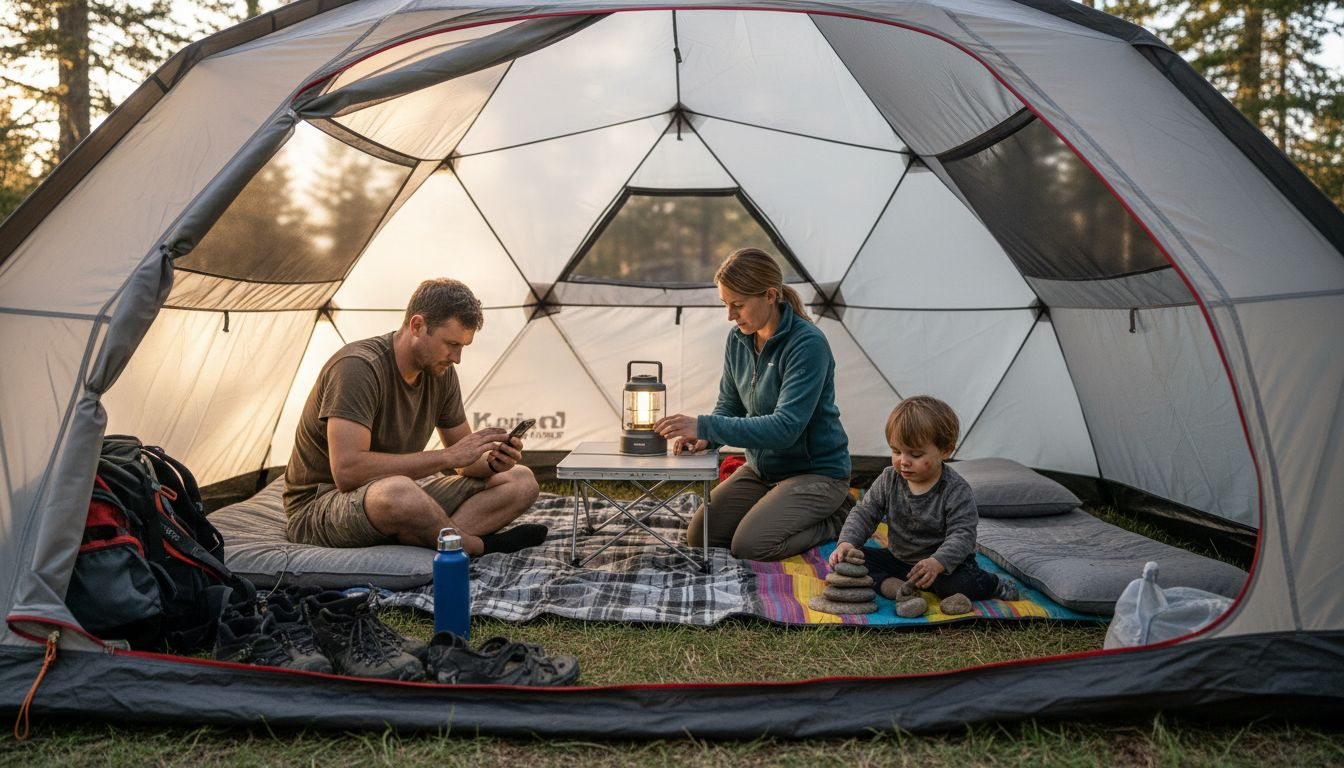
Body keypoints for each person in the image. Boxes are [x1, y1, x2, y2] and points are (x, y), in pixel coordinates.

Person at [284, 278, 544, 556]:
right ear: (417, 326)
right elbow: (348, 473)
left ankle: (426, 538)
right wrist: (447, 457)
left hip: (391, 493)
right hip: (321, 506)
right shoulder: (358, 368)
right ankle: (475, 546)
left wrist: (493, 462)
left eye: (463, 347)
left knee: (521, 480)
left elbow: (465, 465)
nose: (457, 358)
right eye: (451, 344)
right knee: (399, 493)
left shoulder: (440, 373)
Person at [654, 247, 852, 561]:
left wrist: (703, 423)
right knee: (700, 536)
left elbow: (786, 428)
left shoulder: (807, 344)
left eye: (738, 305)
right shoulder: (738, 339)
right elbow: (729, 404)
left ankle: (837, 519)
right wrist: (707, 437)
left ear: (770, 295)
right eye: (725, 304)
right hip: (762, 471)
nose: (730, 315)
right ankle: (775, 507)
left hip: (815, 474)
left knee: (751, 545)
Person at [828, 395, 1018, 607]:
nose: (904, 461)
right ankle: (893, 586)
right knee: (849, 561)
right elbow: (865, 512)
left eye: (915, 454)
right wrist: (847, 542)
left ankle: (993, 584)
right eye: (896, 451)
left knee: (955, 585)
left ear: (945, 451)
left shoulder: (955, 489)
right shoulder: (889, 478)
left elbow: (963, 534)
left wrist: (937, 563)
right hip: (899, 559)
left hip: (944, 566)